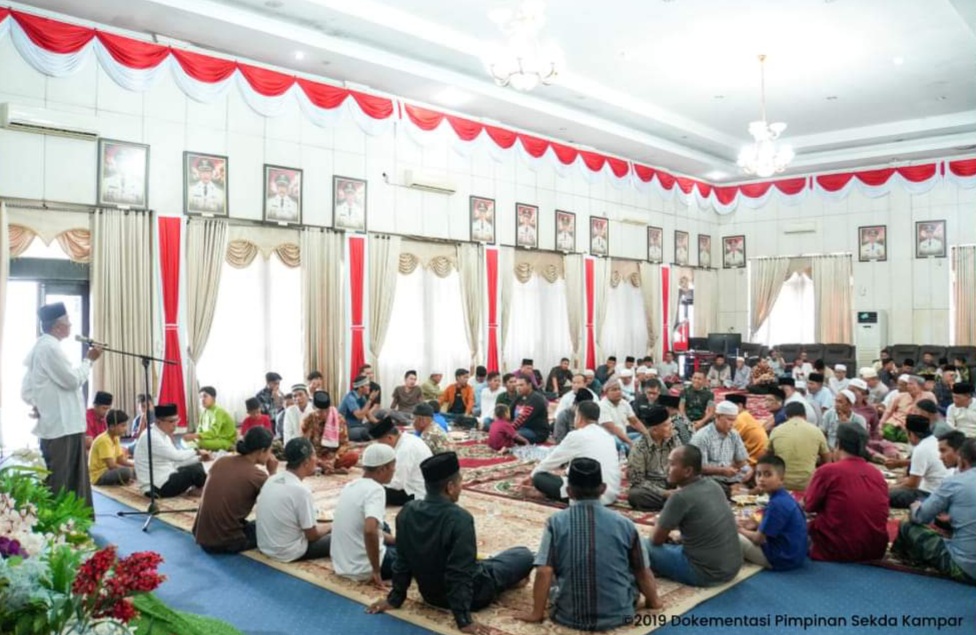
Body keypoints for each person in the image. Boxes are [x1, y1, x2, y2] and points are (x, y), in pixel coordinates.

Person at [367, 452, 534, 631]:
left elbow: (402, 560)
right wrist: (464, 620)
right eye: (460, 482)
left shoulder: (407, 511)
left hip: (430, 595)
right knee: (524, 554)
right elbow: (459, 573)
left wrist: (395, 599)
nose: (461, 487)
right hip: (476, 595)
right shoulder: (460, 518)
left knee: (490, 562)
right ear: (450, 487)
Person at [516, 458, 662, 629]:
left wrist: (537, 613)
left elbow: (544, 571)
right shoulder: (624, 524)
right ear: (603, 489)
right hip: (620, 614)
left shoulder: (556, 522)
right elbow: (642, 570)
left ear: (569, 492)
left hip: (568, 616)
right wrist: (654, 602)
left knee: (551, 568)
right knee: (631, 569)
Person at [21, 302, 102, 508]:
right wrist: (89, 361)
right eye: (68, 322)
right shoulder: (50, 348)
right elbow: (72, 381)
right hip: (63, 425)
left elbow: (26, 389)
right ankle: (61, 520)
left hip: (60, 423)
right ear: (57, 327)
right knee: (62, 478)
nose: (71, 325)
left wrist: (37, 404)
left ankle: (70, 519)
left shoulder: (42, 346)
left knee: (64, 476)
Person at [646, 445, 742, 586]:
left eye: (671, 464)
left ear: (688, 471)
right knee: (674, 542)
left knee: (640, 545)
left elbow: (656, 540)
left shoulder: (680, 497)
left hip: (705, 573)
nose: (666, 468)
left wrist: (659, 522)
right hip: (733, 568)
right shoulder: (714, 485)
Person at [892, 438, 976, 584]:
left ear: (962, 460)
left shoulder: (955, 482)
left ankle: (901, 560)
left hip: (966, 569)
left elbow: (920, 517)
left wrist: (916, 506)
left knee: (907, 524)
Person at [805, 424, 889, 561]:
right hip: (874, 549)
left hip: (835, 548)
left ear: (838, 444)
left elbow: (809, 506)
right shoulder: (877, 474)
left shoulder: (827, 471)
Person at [193, 427, 278, 554]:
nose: (271, 454)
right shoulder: (256, 475)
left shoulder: (221, 461)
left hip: (201, 536)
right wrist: (273, 472)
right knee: (276, 528)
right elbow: (278, 501)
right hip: (226, 541)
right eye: (270, 449)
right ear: (262, 451)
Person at [524, 401, 619, 505]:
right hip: (611, 493)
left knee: (539, 477)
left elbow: (552, 461)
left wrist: (531, 476)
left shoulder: (577, 435)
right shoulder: (608, 436)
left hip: (586, 496)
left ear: (579, 418)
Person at [255, 438, 332, 562]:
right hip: (287, 551)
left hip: (265, 546)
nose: (316, 460)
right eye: (314, 455)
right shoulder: (301, 491)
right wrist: (330, 526)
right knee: (342, 536)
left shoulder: (272, 479)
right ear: (306, 462)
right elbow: (312, 535)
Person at [332, 444, 399, 585]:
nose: (394, 470)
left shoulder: (351, 485)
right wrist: (376, 570)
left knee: (384, 526)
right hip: (363, 568)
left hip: (342, 564)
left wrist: (393, 540)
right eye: (393, 466)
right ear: (382, 469)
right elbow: (369, 530)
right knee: (418, 555)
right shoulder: (376, 490)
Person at [736, 455, 807, 571]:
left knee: (731, 535)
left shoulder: (776, 504)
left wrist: (739, 530)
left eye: (767, 474)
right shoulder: (784, 497)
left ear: (781, 479)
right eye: (758, 474)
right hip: (795, 555)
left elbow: (758, 539)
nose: (761, 479)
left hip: (781, 559)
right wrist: (755, 524)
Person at [134, 403, 210, 498]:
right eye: (171, 421)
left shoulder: (163, 435)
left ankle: (201, 488)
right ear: (158, 422)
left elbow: (175, 463)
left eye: (176, 420)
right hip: (156, 487)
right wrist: (196, 451)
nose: (175, 425)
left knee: (196, 465)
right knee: (194, 471)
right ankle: (202, 489)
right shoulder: (151, 436)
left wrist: (199, 459)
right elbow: (176, 456)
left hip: (165, 476)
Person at [369, 416, 433, 506]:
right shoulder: (407, 439)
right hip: (418, 487)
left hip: (416, 493)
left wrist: (375, 482)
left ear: (390, 438)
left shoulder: (406, 449)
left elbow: (397, 484)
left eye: (380, 443)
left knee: (372, 492)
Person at [766, 402, 830, 492]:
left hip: (782, 483)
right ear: (805, 416)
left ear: (786, 416)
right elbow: (827, 460)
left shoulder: (776, 431)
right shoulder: (816, 431)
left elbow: (767, 457)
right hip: (808, 484)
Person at [627, 406, 681, 511]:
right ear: (655, 430)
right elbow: (638, 480)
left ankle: (676, 502)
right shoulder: (639, 448)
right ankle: (678, 503)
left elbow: (681, 463)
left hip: (672, 483)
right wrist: (664, 493)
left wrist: (680, 486)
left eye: (671, 423)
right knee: (635, 495)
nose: (672, 427)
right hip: (652, 488)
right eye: (667, 425)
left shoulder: (673, 438)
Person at [690, 401, 750, 494]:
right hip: (710, 481)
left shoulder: (734, 434)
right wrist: (721, 471)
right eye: (729, 420)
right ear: (717, 416)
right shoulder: (702, 437)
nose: (732, 424)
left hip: (731, 479)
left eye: (734, 420)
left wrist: (749, 470)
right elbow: (698, 468)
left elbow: (741, 461)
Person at [889, 415, 949, 508]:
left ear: (911, 434)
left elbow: (912, 485)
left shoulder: (921, 449)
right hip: (941, 489)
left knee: (887, 494)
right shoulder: (934, 440)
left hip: (929, 494)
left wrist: (890, 487)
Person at [303, 391, 360, 473]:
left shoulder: (339, 419)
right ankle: (330, 469)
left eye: (326, 411)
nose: (324, 414)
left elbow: (344, 444)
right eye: (320, 411)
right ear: (315, 410)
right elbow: (304, 441)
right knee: (301, 456)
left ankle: (325, 469)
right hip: (316, 457)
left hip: (333, 457)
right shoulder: (310, 418)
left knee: (353, 456)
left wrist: (333, 460)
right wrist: (319, 461)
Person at [88, 409, 135, 486]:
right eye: (123, 425)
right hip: (99, 475)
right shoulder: (104, 440)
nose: (125, 428)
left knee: (135, 469)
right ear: (112, 427)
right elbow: (112, 465)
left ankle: (123, 478)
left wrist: (133, 465)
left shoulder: (115, 437)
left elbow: (120, 459)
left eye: (125, 425)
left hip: (109, 470)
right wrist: (129, 469)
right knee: (127, 472)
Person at [598, 379, 648, 451]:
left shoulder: (624, 403)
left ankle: (632, 447)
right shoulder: (602, 406)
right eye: (614, 390)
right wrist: (630, 442)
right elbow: (612, 428)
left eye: (619, 389)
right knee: (618, 443)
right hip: (610, 437)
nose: (618, 392)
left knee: (643, 437)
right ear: (606, 393)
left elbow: (635, 422)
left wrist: (648, 435)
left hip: (624, 436)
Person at [183, 386, 236, 451]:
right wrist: (194, 436)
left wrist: (195, 436)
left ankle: (197, 449)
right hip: (211, 439)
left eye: (205, 396)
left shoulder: (218, 411)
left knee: (200, 443)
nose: (202, 399)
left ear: (213, 398)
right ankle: (197, 449)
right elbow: (199, 429)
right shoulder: (203, 412)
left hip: (224, 440)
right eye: (200, 397)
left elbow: (213, 432)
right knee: (187, 441)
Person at [726, 393, 768, 469]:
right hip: (758, 457)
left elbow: (726, 443)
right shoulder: (745, 415)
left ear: (739, 406)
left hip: (752, 461)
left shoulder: (740, 419)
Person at [511, 376, 551, 444]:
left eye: (521, 385)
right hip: (521, 428)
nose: (518, 388)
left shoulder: (535, 398)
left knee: (511, 435)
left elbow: (522, 418)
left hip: (535, 432)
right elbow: (509, 412)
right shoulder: (519, 397)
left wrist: (508, 429)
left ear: (529, 385)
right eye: (517, 386)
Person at [339, 376, 376, 442]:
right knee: (364, 431)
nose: (369, 388)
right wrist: (370, 400)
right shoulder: (350, 398)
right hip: (347, 429)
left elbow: (369, 417)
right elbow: (359, 416)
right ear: (360, 388)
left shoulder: (362, 398)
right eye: (367, 385)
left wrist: (380, 423)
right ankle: (374, 441)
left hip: (358, 426)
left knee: (375, 424)